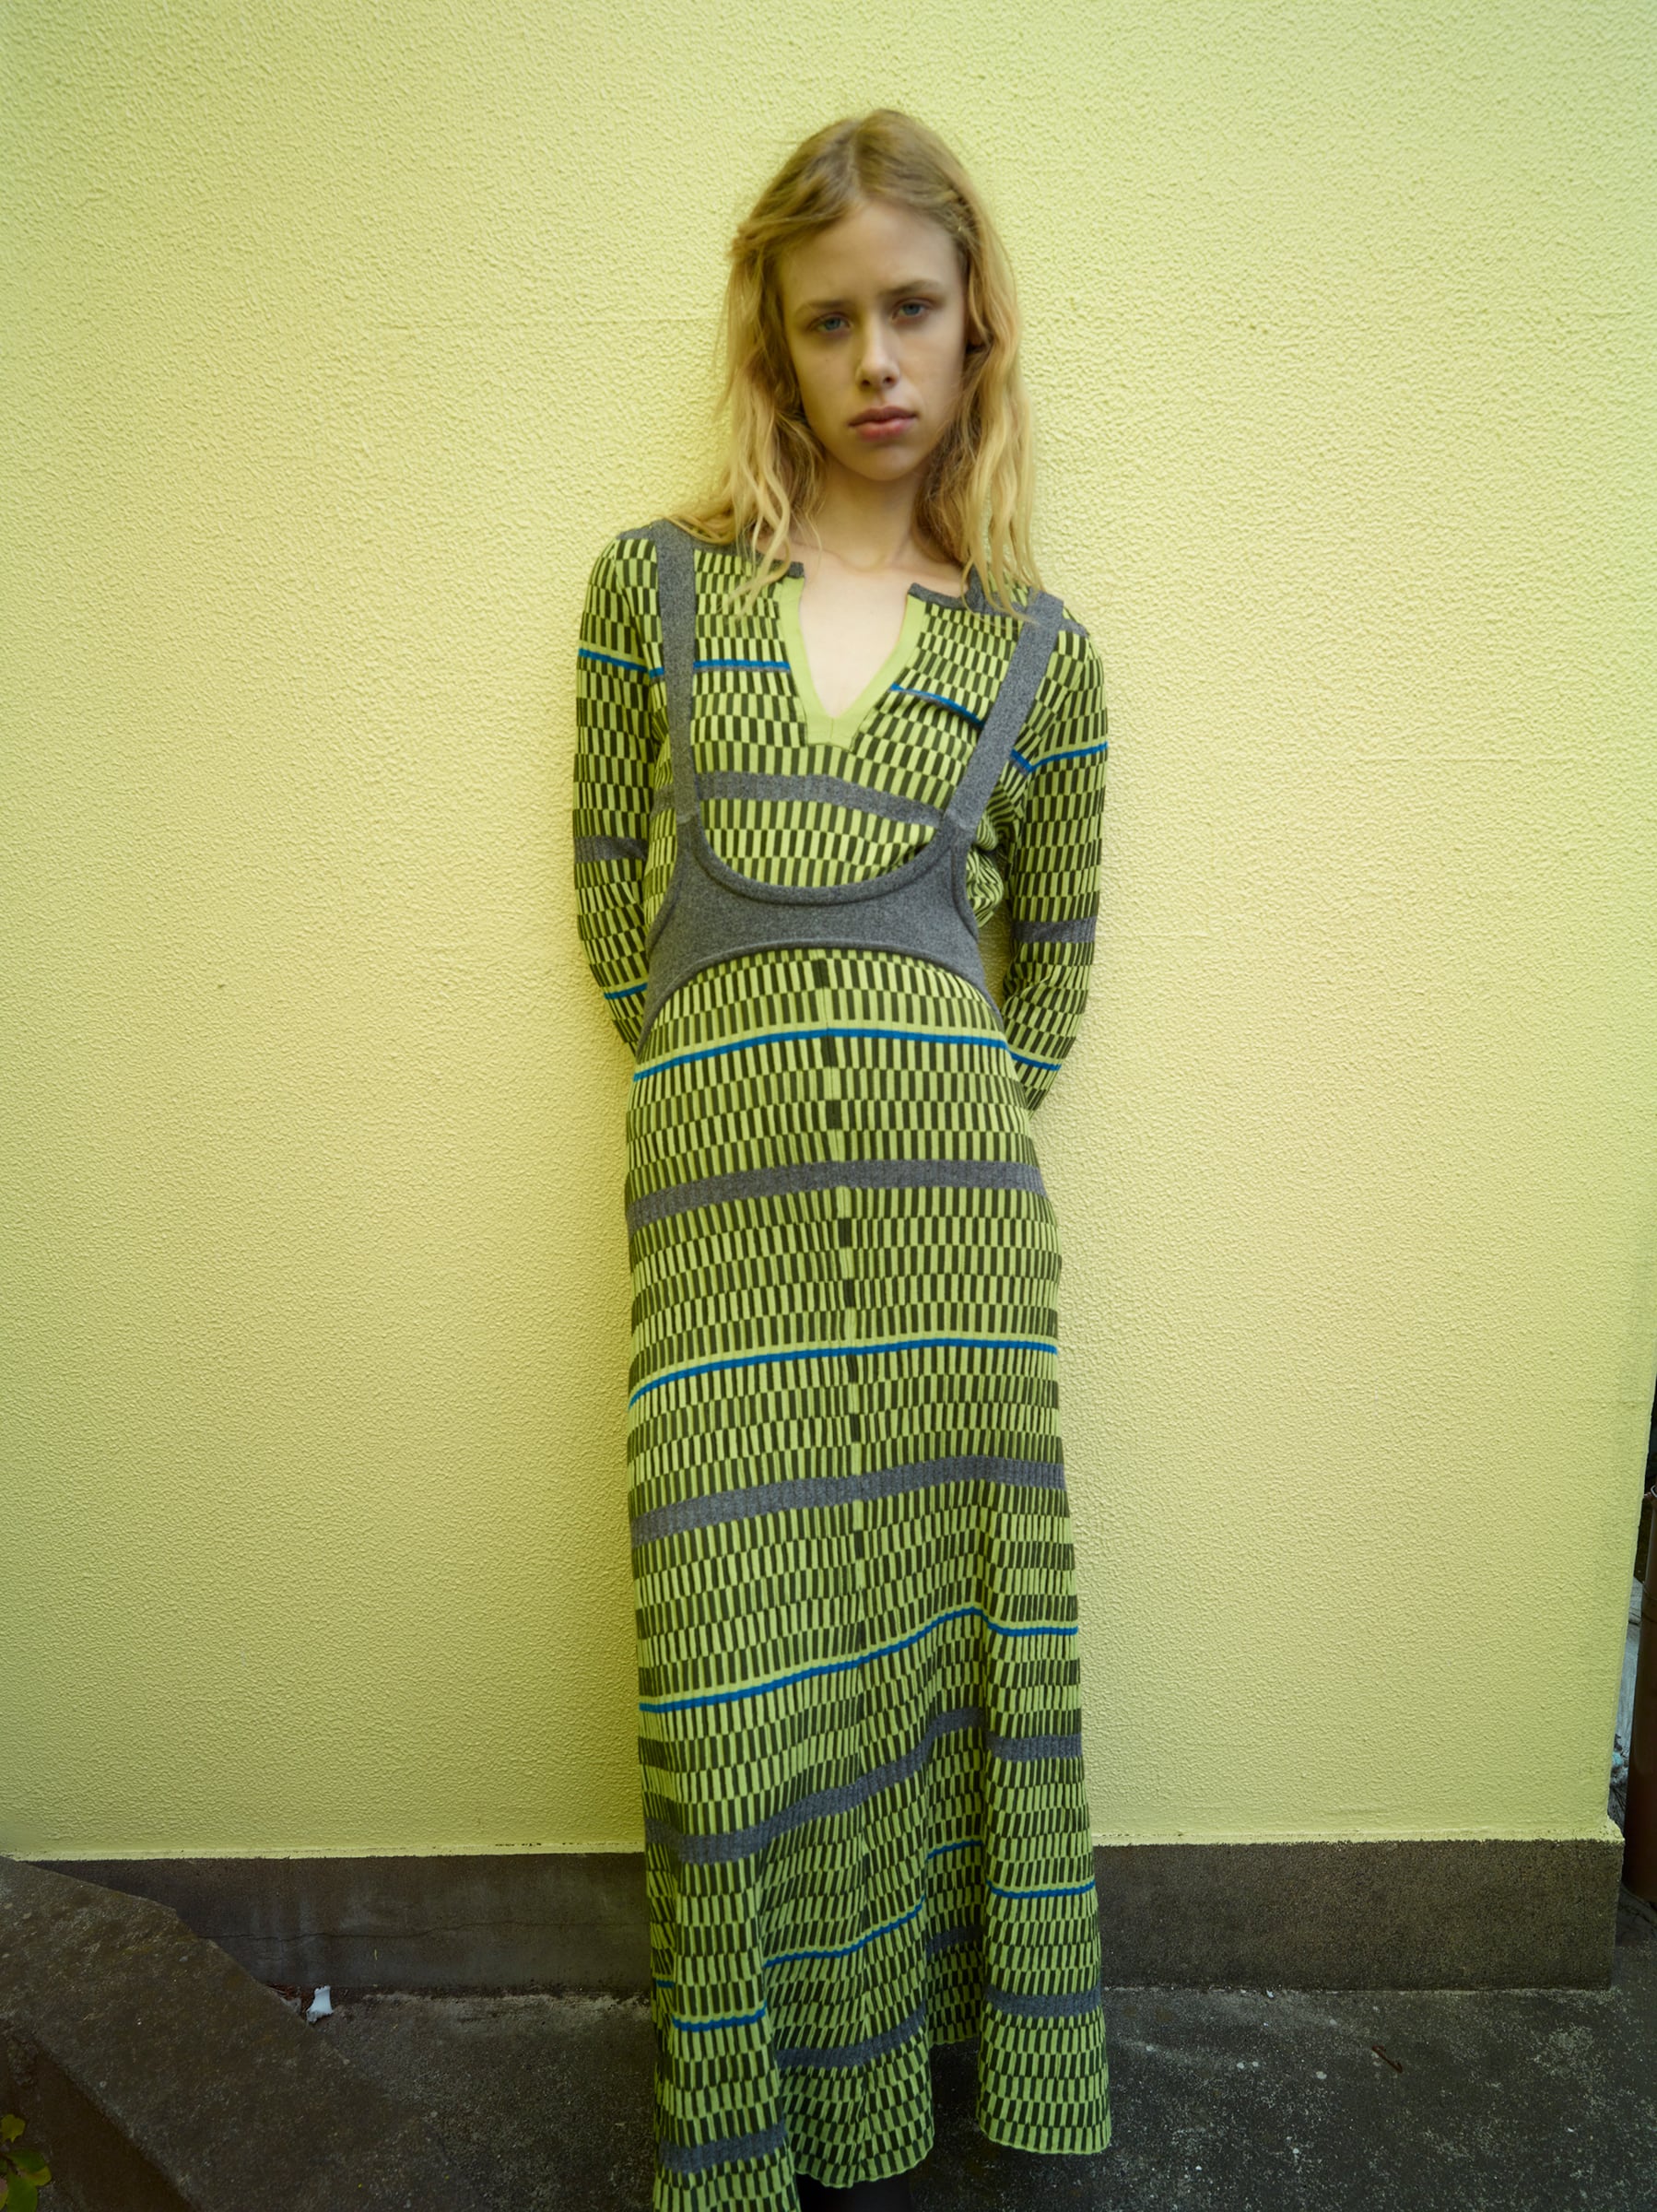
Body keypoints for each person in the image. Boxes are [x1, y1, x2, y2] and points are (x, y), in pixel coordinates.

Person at [573, 107, 1111, 2212]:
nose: (874, 359)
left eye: (910, 309)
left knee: (942, 1668)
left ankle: (932, 2091)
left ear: (976, 330)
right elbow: (614, 911)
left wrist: (906, 1097)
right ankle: (749, 2132)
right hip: (719, 1260)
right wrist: (749, 1084)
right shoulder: (652, 593)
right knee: (729, 1686)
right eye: (827, 320)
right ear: (773, 345)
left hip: (956, 1262)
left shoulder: (1040, 655)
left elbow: (1047, 978)